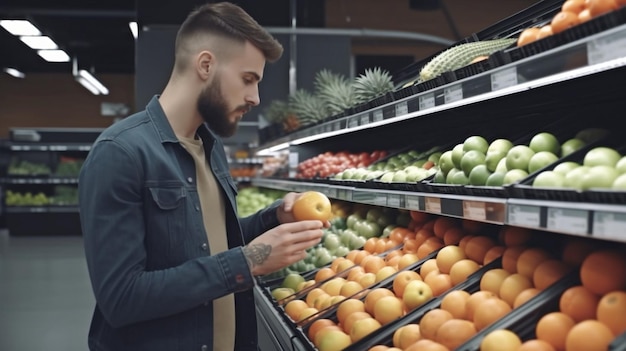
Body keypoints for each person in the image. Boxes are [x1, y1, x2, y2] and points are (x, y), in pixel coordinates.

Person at [78, 2, 325, 350]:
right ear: (206, 65)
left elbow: (208, 243)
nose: (255, 98)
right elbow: (121, 299)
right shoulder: (120, 153)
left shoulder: (209, 147)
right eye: (248, 79)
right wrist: (249, 261)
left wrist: (273, 218)